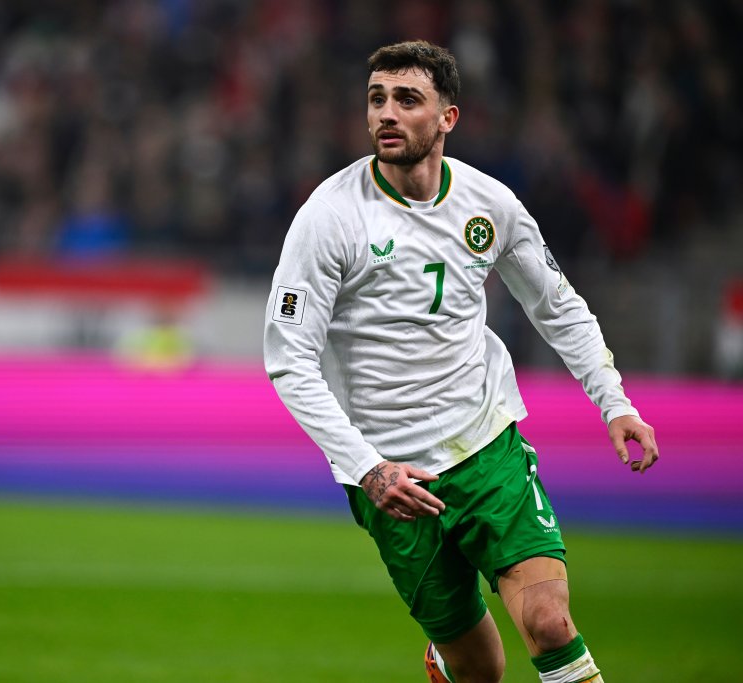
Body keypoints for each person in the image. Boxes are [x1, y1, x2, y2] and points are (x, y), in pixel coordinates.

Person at [263, 41, 659, 683]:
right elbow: (289, 361)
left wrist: (615, 403)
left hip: (486, 447)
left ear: (448, 117)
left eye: (407, 99)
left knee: (550, 624)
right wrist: (368, 470)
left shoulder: (490, 204)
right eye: (377, 99)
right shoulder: (329, 217)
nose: (386, 113)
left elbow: (557, 306)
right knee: (480, 668)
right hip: (391, 476)